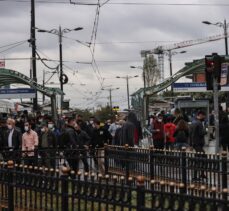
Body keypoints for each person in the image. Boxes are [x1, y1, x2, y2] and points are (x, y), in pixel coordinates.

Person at [189, 110, 207, 181]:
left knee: (200, 159)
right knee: (201, 159)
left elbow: (190, 134)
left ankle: (201, 174)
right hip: (198, 144)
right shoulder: (199, 123)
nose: (204, 117)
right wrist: (206, 130)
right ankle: (196, 176)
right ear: (200, 115)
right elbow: (201, 133)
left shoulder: (193, 123)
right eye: (204, 116)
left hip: (195, 144)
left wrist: (191, 144)